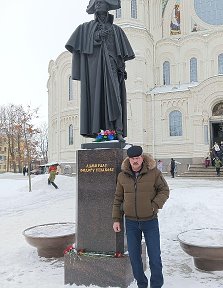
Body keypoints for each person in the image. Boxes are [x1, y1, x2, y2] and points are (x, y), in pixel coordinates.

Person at [65, 0, 135, 141]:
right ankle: (101, 132)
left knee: (115, 98)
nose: (98, 4)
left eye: (101, 2)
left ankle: (117, 130)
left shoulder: (116, 31)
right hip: (94, 71)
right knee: (97, 99)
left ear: (108, 7)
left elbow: (120, 53)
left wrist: (121, 68)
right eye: (96, 2)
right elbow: (78, 45)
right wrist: (96, 37)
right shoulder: (86, 29)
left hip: (112, 69)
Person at [112, 145, 169, 288]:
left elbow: (164, 190)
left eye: (137, 158)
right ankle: (142, 284)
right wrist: (116, 219)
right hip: (130, 223)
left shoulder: (154, 173)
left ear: (142, 158)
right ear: (129, 160)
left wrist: (154, 205)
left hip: (150, 221)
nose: (135, 161)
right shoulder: (122, 175)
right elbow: (118, 198)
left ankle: (156, 285)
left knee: (155, 257)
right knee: (134, 258)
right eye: (132, 159)